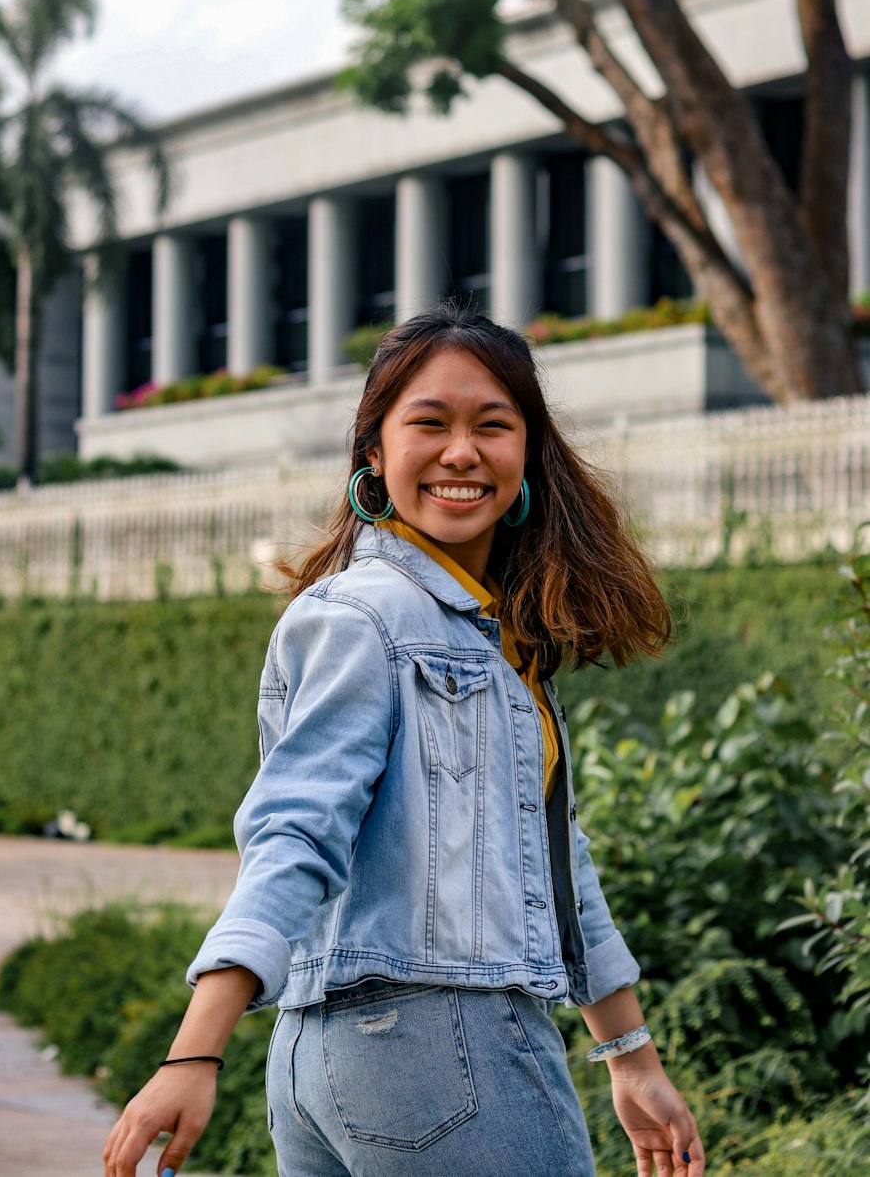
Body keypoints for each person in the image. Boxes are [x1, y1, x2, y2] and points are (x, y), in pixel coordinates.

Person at [103, 304, 706, 1177]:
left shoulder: (493, 640)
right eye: (429, 422)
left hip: (326, 1066)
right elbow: (294, 835)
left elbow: (558, 865)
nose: (462, 451)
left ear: (527, 456)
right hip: (447, 1051)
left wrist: (633, 1057)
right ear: (374, 456)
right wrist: (191, 1054)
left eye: (492, 426)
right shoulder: (370, 619)